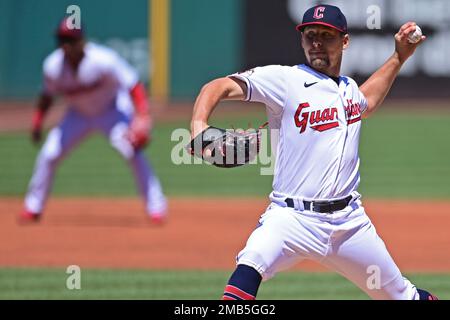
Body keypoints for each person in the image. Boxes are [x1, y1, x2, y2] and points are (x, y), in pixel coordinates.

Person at [190, 5, 437, 299]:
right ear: (302, 41)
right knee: (249, 267)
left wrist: (399, 57)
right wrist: (199, 126)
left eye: (326, 36)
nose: (317, 42)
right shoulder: (285, 80)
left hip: (349, 223)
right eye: (310, 36)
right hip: (291, 218)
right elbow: (217, 87)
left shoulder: (347, 89)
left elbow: (366, 101)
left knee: (403, 296)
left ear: (344, 41)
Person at [20, 18, 167, 225]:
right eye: (61, 39)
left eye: (70, 39)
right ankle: (33, 207)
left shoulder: (102, 60)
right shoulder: (53, 66)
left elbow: (133, 84)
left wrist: (142, 116)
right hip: (77, 114)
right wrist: (37, 122)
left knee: (132, 152)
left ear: (81, 41)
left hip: (112, 111)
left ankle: (156, 207)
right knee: (49, 154)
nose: (65, 45)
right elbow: (47, 96)